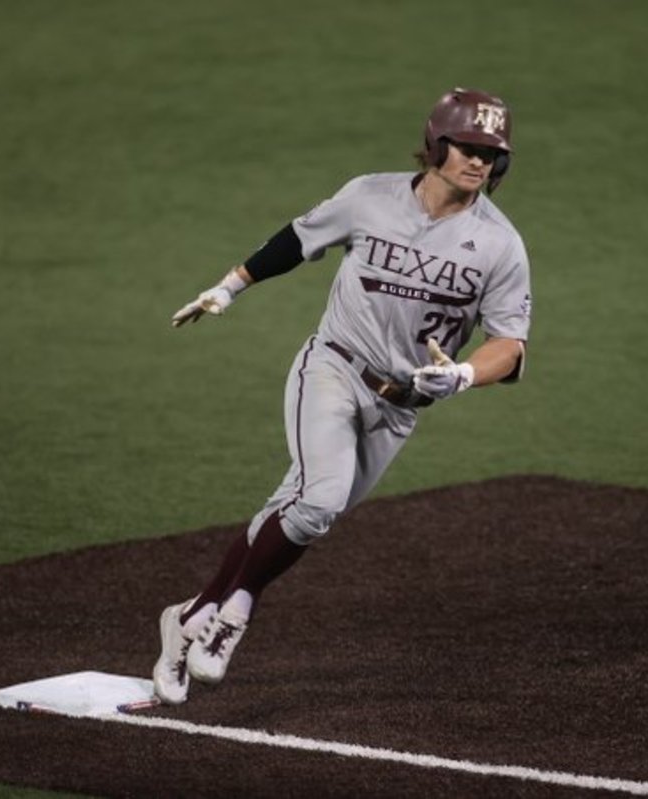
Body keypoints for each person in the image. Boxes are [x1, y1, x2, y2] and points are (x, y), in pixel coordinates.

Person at [153, 88, 533, 704]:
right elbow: (297, 240)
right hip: (333, 368)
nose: (480, 162)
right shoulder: (369, 197)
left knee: (297, 510)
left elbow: (510, 344)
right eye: (468, 147)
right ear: (438, 143)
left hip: (399, 409)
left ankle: (191, 614)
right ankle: (234, 616)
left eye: (492, 154)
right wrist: (227, 289)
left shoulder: (499, 244)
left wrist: (462, 376)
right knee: (320, 500)